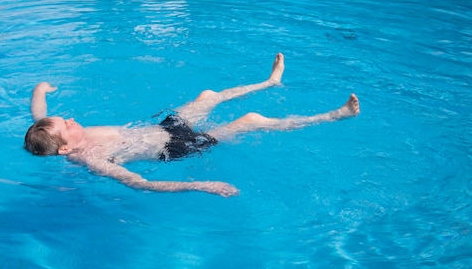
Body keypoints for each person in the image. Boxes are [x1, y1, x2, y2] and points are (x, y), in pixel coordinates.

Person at [24, 53, 360, 197]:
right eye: (65, 124)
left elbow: (38, 115)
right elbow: (142, 184)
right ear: (66, 148)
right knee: (251, 121)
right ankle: (334, 116)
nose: (70, 119)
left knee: (209, 94)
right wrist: (200, 185)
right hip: (175, 147)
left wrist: (41, 89)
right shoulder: (92, 159)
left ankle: (270, 83)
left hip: (165, 127)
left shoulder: (54, 136)